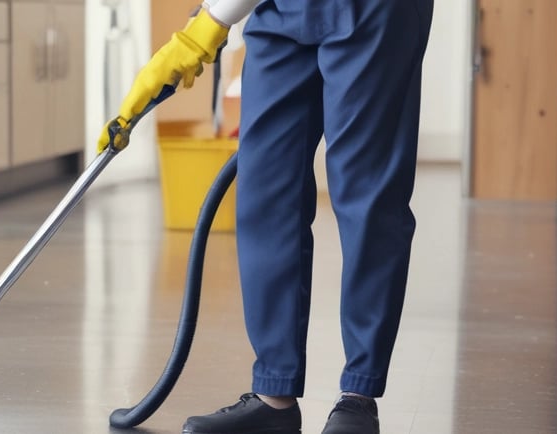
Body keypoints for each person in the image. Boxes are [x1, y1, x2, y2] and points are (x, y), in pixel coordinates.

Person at [99, 0, 434, 433]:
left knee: (366, 191)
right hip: (279, 9)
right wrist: (210, 15)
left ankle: (358, 396)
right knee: (267, 187)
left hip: (372, 10)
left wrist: (213, 21)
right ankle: (274, 395)